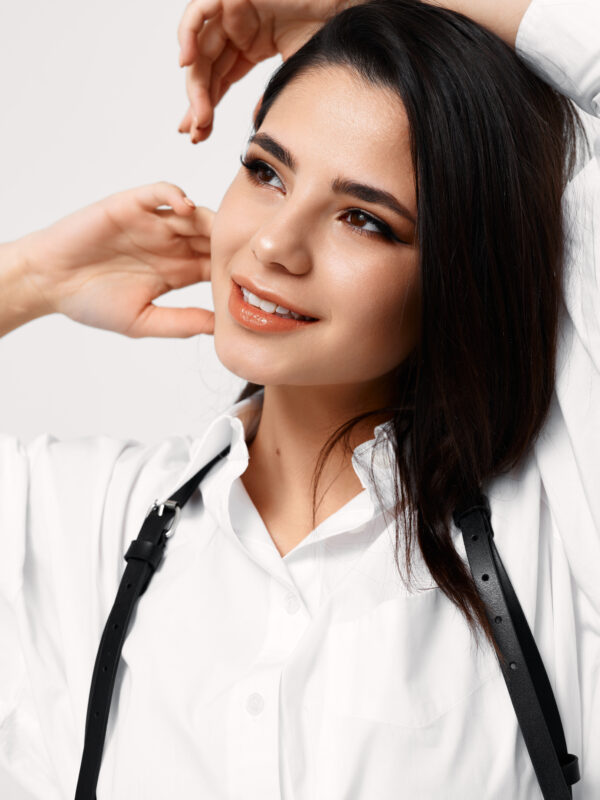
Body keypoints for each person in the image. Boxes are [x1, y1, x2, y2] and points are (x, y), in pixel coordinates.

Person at [0, 0, 598, 798]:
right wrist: (29, 280)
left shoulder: (557, 529)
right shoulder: (81, 526)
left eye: (363, 219)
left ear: (460, 269)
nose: (276, 243)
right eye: (266, 172)